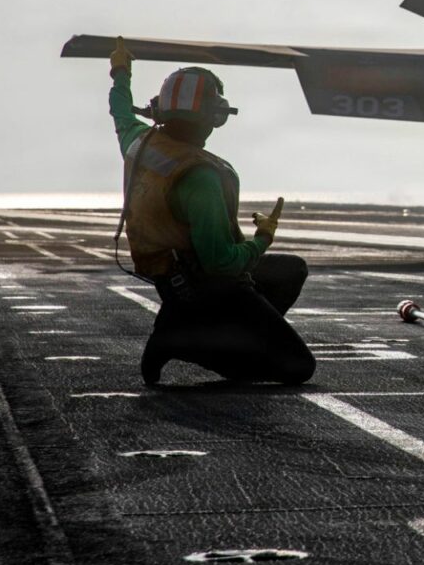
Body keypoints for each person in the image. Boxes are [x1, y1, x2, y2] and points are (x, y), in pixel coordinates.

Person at [106, 37, 315, 387]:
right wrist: (263, 239)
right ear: (212, 117)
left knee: (291, 270)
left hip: (171, 283)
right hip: (208, 287)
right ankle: (183, 339)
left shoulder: (139, 144)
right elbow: (220, 263)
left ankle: (198, 328)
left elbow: (121, 111)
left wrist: (120, 72)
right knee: (297, 368)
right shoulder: (200, 176)